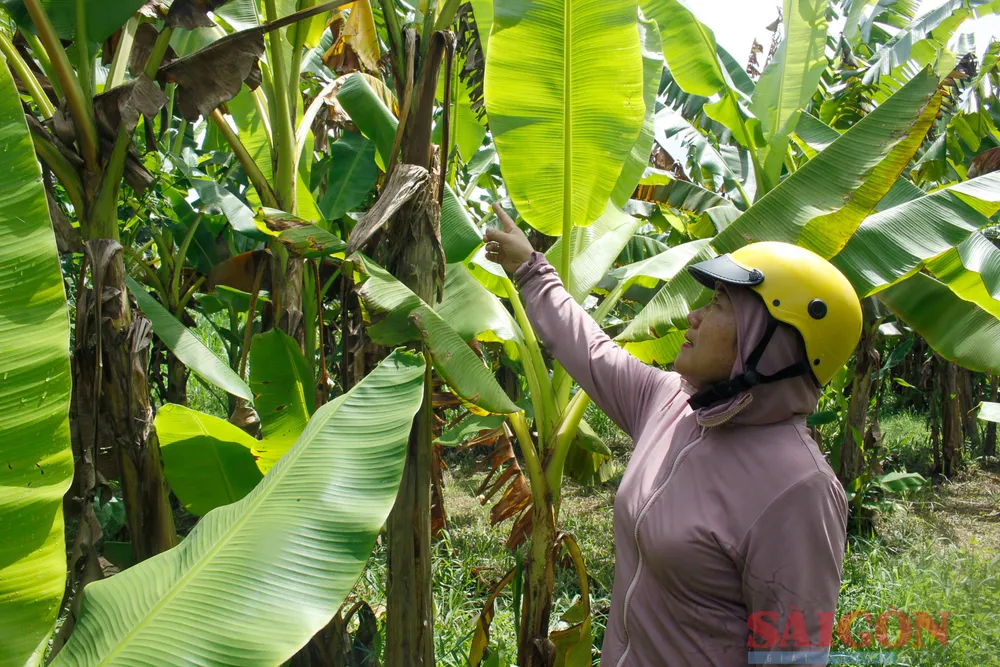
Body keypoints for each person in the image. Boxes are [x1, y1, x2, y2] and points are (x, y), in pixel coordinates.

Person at [483, 202, 862, 667]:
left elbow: (795, 657)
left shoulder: (800, 489)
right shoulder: (670, 402)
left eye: (721, 303)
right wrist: (529, 270)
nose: (694, 316)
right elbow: (589, 350)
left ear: (773, 343)